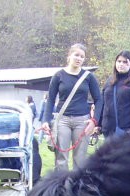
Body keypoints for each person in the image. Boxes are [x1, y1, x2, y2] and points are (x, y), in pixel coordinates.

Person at [42, 43, 103, 171]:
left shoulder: (89, 77)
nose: (79, 58)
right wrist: (46, 121)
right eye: (76, 55)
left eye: (82, 56)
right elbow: (51, 99)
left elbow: (99, 99)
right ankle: (61, 188)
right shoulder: (58, 76)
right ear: (69, 56)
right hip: (62, 120)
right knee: (61, 159)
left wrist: (94, 121)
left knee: (80, 161)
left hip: (82, 121)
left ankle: (77, 189)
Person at [97, 50, 130, 138]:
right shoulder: (110, 81)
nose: (121, 64)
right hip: (107, 130)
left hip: (125, 132)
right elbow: (103, 104)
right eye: (119, 61)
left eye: (124, 62)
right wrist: (98, 124)